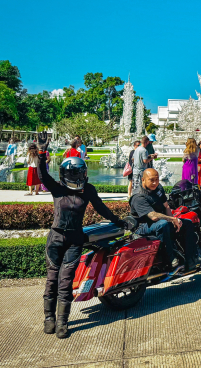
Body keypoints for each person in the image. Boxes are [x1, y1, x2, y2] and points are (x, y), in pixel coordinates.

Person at [35, 131, 124, 339]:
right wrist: (41, 153)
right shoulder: (57, 189)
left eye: (81, 174)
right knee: (51, 280)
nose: (80, 178)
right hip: (55, 239)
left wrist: (119, 221)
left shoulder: (88, 190)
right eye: (76, 175)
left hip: (75, 240)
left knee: (66, 282)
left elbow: (102, 208)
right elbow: (41, 175)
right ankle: (49, 318)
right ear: (67, 175)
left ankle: (63, 322)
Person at [130, 168, 201, 269]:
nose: (155, 183)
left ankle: (191, 259)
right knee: (163, 224)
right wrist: (171, 220)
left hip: (161, 221)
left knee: (187, 223)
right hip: (142, 226)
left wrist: (173, 220)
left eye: (157, 179)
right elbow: (153, 216)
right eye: (151, 180)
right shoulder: (138, 196)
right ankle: (170, 259)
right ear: (143, 180)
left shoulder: (158, 188)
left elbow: (166, 206)